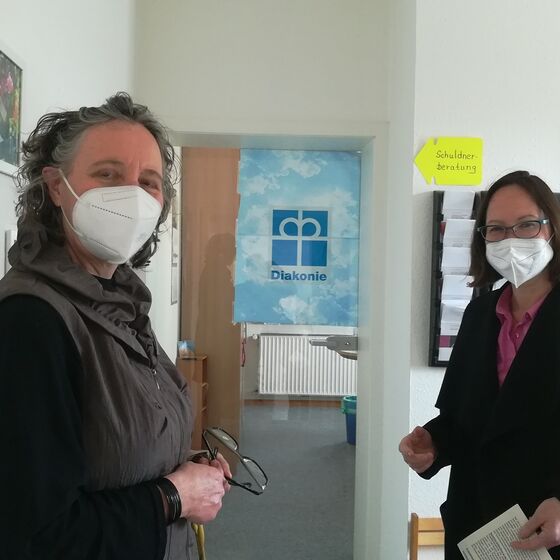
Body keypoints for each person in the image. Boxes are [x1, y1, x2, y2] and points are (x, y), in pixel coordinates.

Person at [0, 92, 232, 560]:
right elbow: (36, 536)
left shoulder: (121, 302)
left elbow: (103, 452)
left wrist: (183, 466)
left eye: (148, 182)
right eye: (107, 174)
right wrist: (175, 496)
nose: (133, 196)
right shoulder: (30, 321)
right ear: (56, 186)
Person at [399, 170, 560, 559]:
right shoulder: (480, 314)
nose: (510, 240)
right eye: (496, 229)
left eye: (527, 225)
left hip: (545, 526)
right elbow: (464, 419)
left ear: (552, 228)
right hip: (477, 522)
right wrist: (433, 444)